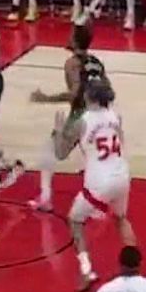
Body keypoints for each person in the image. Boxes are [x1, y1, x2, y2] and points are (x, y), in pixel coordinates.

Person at [57, 81, 135, 290]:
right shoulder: (114, 116)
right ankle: (133, 268)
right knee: (121, 219)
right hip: (122, 175)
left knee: (75, 221)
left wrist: (59, 131)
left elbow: (60, 153)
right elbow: (121, 141)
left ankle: (86, 271)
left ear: (88, 96)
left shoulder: (82, 121)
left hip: (100, 182)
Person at [28, 24, 107, 212]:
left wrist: (46, 98)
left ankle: (45, 198)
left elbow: (75, 93)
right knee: (92, 157)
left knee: (51, 149)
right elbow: (107, 89)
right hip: (101, 114)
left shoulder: (72, 63)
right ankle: (97, 205)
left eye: (70, 35)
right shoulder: (96, 62)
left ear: (75, 40)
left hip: (81, 114)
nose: (67, 37)